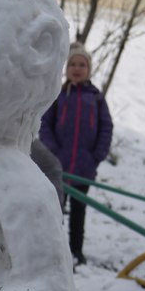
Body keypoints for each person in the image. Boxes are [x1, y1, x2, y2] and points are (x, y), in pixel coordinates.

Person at [39, 41, 113, 266]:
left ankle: (76, 251)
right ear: (66, 68)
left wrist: (96, 155)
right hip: (58, 166)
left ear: (88, 69)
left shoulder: (96, 98)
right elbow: (45, 125)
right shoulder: (58, 96)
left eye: (82, 64)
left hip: (84, 167)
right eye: (73, 64)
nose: (77, 68)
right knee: (56, 210)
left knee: (79, 214)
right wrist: (53, 151)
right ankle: (53, 250)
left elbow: (106, 128)